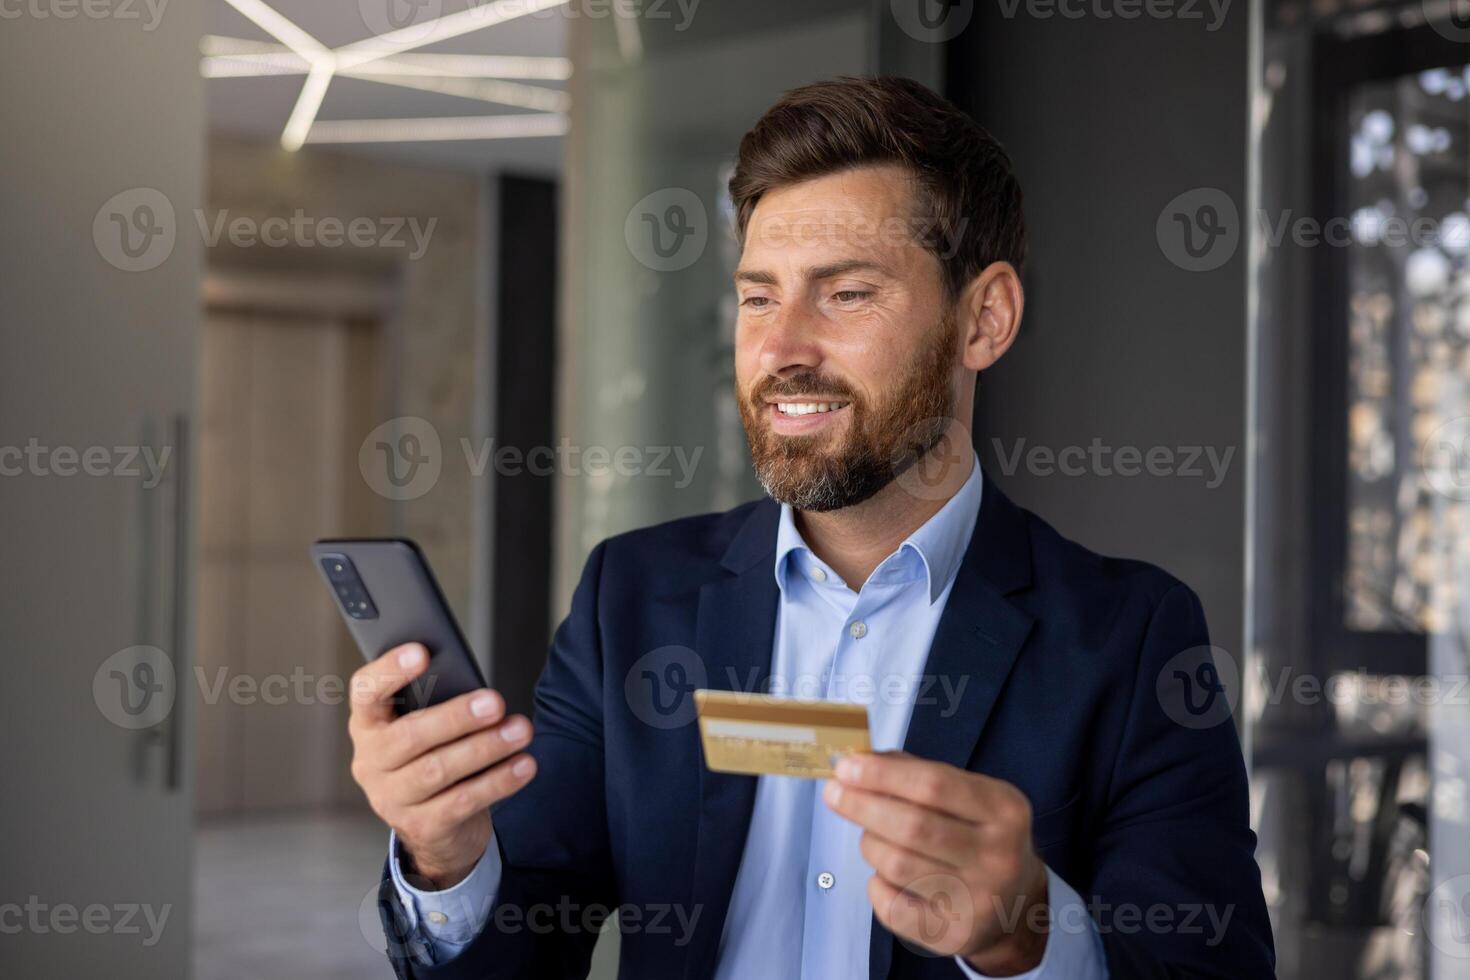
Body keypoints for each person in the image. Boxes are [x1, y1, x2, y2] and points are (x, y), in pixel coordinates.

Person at [347, 75, 1275, 979]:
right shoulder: (630, 598)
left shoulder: (1132, 636)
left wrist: (1027, 937)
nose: (781, 349)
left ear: (983, 319)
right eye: (758, 296)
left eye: (846, 293)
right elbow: (528, 947)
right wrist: (446, 859)